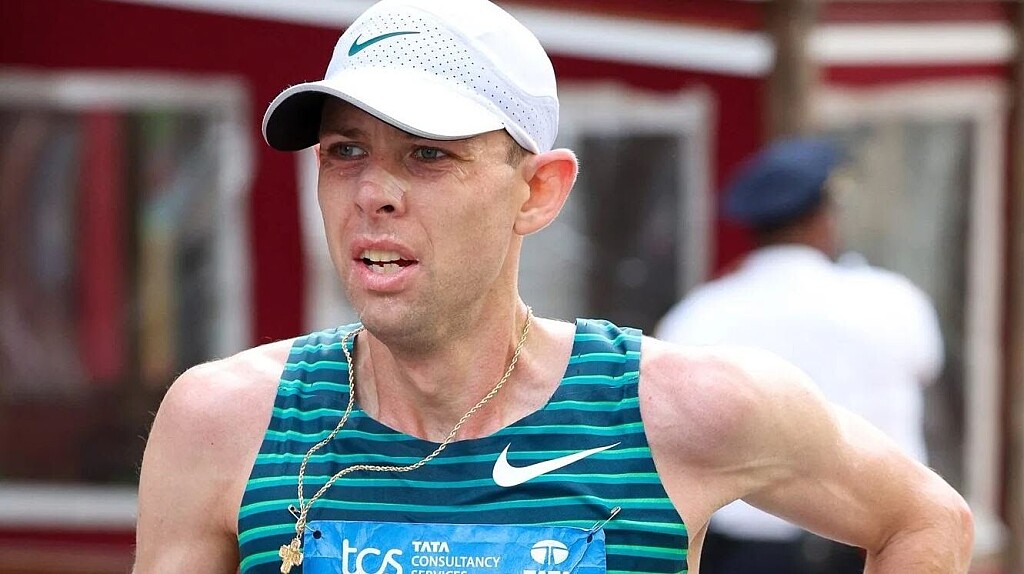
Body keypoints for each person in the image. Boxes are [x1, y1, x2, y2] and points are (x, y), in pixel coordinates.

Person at [133, 1, 972, 572]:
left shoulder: (678, 409)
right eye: (345, 151)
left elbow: (928, 519)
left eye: (428, 153)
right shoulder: (226, 422)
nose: (374, 193)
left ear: (538, 191)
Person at [657, 137, 947, 574]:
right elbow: (927, 365)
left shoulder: (699, 314)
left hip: (744, 557)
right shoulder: (891, 301)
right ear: (824, 216)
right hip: (870, 550)